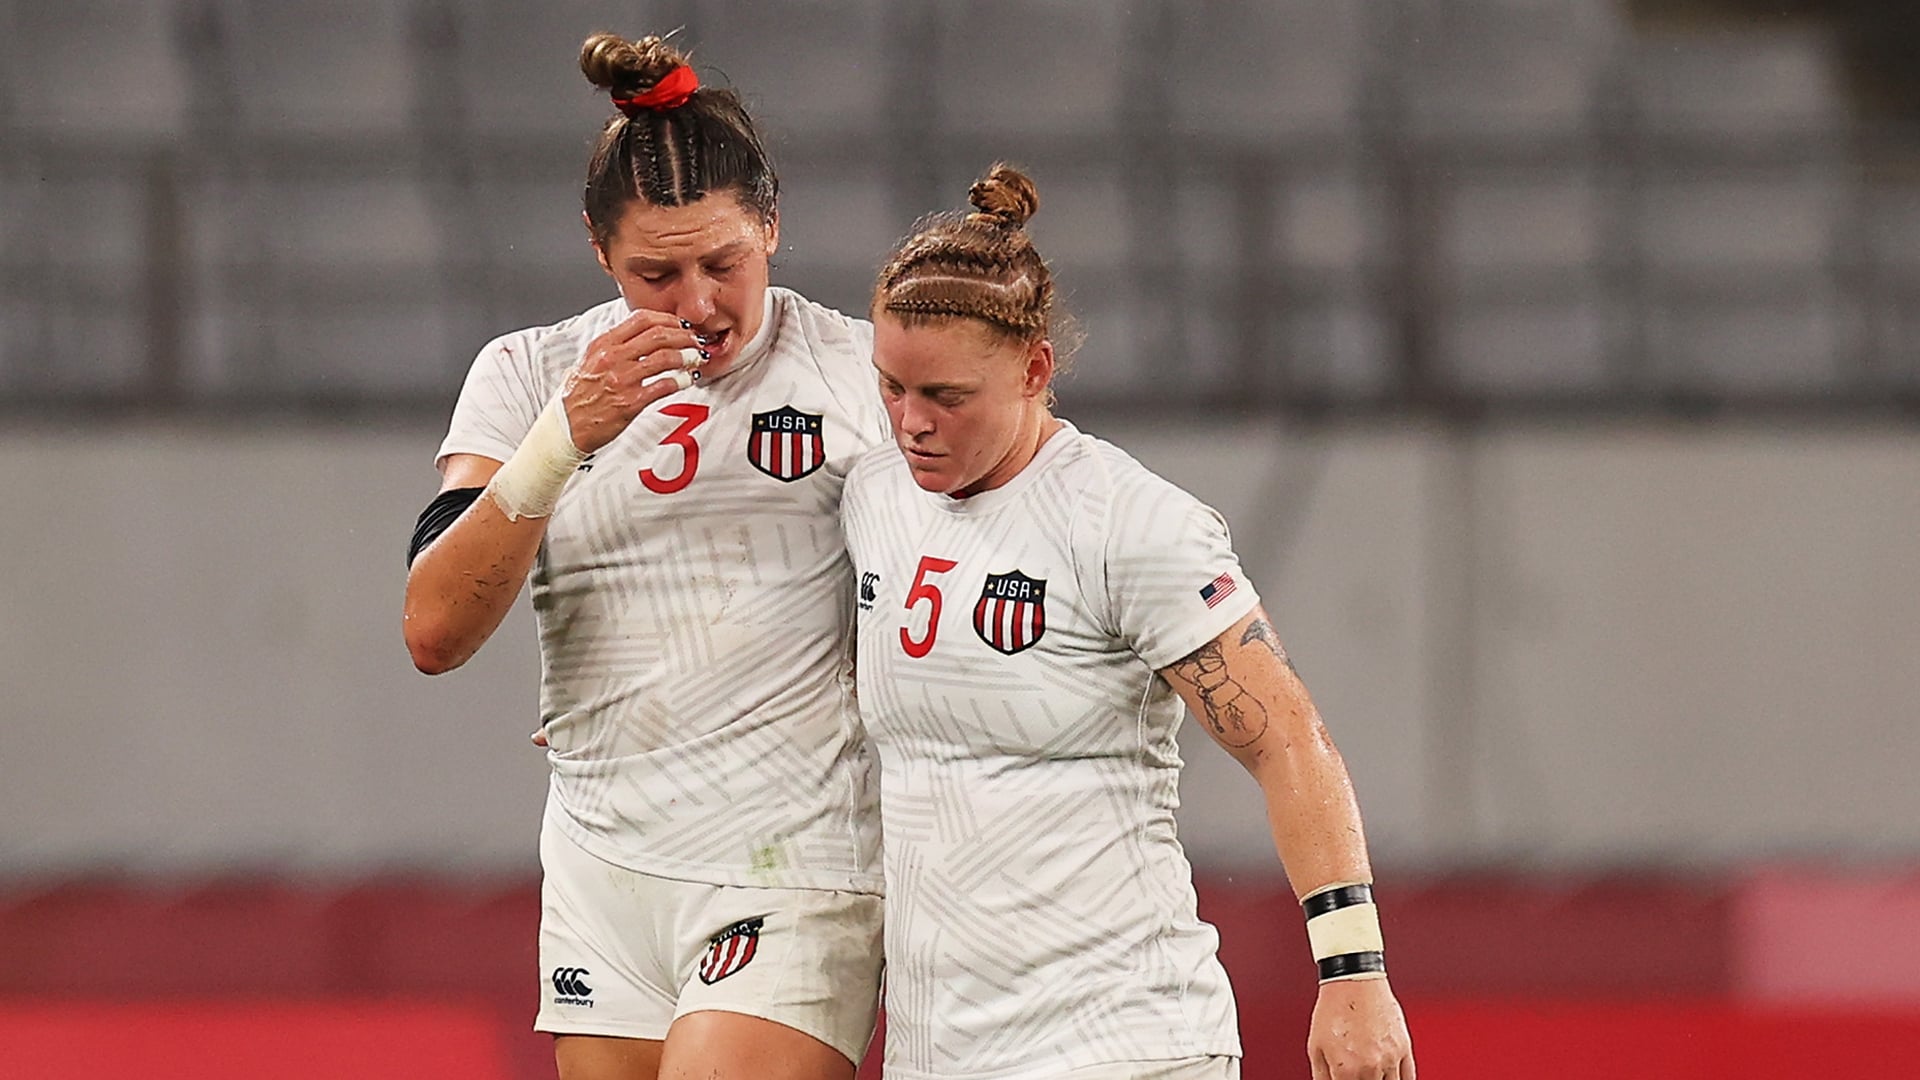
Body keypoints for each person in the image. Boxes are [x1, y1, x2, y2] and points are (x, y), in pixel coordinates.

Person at [839, 165, 1417, 1080]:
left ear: (1035, 370)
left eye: (947, 396)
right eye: (891, 388)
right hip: (939, 1052)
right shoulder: (872, 494)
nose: (911, 422)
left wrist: (1354, 974)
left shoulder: (1129, 523)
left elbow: (1289, 739)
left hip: (1124, 1041)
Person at [401, 31, 889, 1080]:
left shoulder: (862, 377)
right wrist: (563, 437)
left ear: (771, 222)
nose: (698, 304)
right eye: (654, 274)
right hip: (604, 856)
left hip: (792, 860)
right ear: (597, 249)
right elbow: (433, 629)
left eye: (725, 263)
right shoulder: (527, 375)